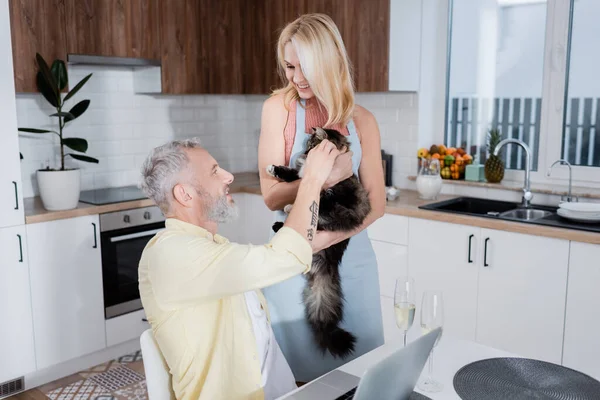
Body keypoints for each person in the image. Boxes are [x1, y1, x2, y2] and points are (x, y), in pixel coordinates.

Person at [138, 137, 343, 400]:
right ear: (184, 194)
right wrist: (312, 180)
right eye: (214, 171)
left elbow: (293, 251)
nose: (228, 176)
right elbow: (286, 257)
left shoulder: (213, 246)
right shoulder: (170, 255)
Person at [258, 13, 386, 382]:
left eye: (305, 67)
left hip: (353, 259)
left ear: (329, 64)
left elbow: (377, 202)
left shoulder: (362, 119)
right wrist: (320, 177)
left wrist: (326, 238)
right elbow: (270, 197)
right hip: (293, 261)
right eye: (289, 66)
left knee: (364, 377)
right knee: (300, 382)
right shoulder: (277, 110)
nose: (296, 78)